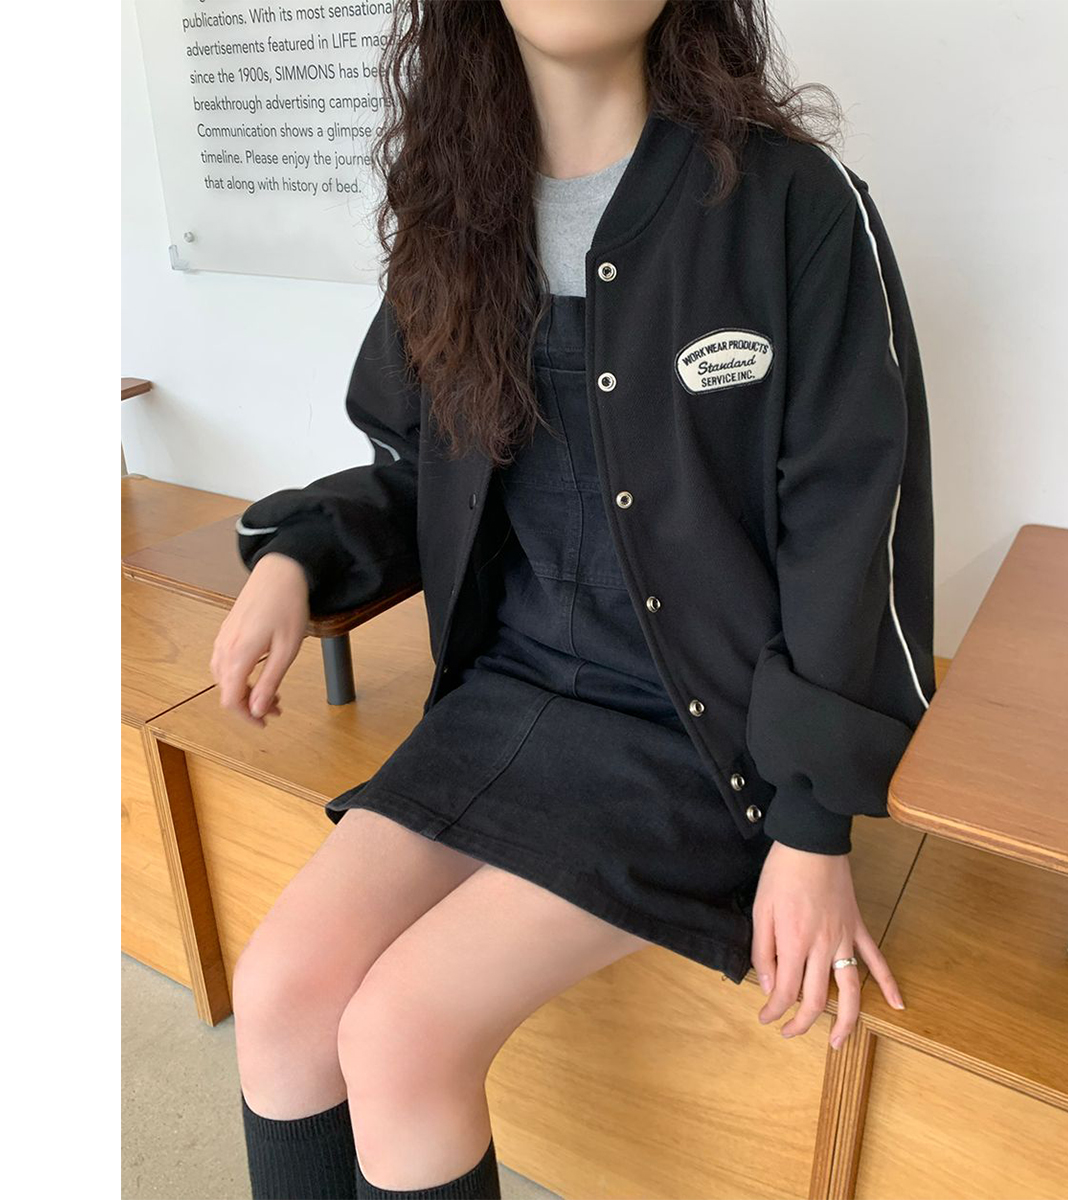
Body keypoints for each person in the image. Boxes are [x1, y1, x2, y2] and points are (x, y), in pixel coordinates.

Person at [212, 1, 935, 1196]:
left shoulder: (795, 206)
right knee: (281, 991)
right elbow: (416, 470)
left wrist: (813, 831)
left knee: (400, 1032)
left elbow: (856, 533)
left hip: (710, 740)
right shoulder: (457, 212)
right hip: (506, 700)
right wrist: (298, 558)